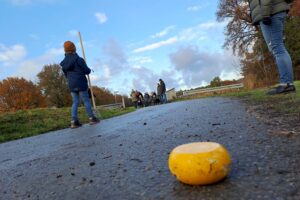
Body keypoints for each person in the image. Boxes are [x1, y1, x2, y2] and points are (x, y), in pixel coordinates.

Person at [248, 0, 296, 95]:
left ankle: (286, 84)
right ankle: (288, 83)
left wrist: (265, 13)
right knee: (278, 48)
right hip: (272, 11)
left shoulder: (268, 12)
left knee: (278, 49)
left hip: (270, 12)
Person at [60, 41, 100, 128]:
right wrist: (88, 68)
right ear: (74, 48)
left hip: (71, 84)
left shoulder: (64, 63)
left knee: (75, 102)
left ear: (65, 50)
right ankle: (91, 118)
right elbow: (87, 71)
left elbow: (66, 74)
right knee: (86, 100)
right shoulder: (79, 59)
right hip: (81, 82)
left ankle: (74, 121)